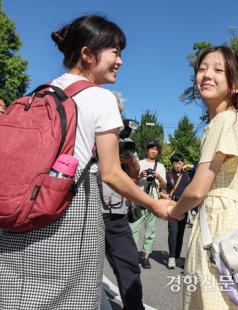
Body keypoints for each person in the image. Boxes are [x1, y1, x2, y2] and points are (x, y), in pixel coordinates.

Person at [0, 15, 171, 309]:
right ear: (88, 54)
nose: (120, 61)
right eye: (115, 52)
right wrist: (154, 203)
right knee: (72, 297)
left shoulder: (40, 92)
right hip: (69, 215)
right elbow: (111, 173)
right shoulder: (100, 98)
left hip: (21, 213)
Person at [168, 46, 238, 309]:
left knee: (211, 299)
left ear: (236, 86)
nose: (206, 75)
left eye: (217, 70)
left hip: (218, 230)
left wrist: (174, 211)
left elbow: (197, 190)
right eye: (201, 69)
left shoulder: (223, 121)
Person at [100, 93, 145, 310]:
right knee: (82, 269)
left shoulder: (123, 141)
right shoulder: (86, 134)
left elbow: (135, 176)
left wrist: (129, 158)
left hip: (117, 217)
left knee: (129, 266)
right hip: (87, 214)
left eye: (117, 113)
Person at [130, 140, 167, 269]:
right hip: (139, 201)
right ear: (147, 150)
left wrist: (158, 177)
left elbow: (164, 186)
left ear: (158, 152)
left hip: (153, 202)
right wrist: (140, 176)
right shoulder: (139, 164)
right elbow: (131, 182)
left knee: (150, 232)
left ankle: (146, 258)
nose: (153, 151)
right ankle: (133, 257)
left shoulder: (161, 166)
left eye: (156, 149)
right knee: (133, 230)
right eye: (151, 148)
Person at [166, 154, 191, 269]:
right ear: (172, 164)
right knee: (173, 231)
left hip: (184, 206)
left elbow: (196, 169)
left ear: (183, 163)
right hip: (172, 206)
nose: (177, 165)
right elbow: (163, 188)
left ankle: (177, 257)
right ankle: (171, 257)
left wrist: (189, 166)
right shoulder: (168, 175)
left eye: (180, 163)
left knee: (180, 233)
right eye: (175, 163)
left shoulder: (187, 175)